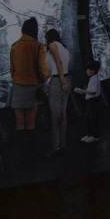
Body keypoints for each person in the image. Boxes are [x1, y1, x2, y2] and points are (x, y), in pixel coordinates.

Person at [9, 17, 48, 158]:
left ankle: (21, 155)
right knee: (31, 122)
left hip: (18, 88)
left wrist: (18, 79)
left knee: (20, 123)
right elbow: (43, 70)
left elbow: (12, 70)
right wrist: (43, 80)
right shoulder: (38, 46)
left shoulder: (14, 46)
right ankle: (29, 154)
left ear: (23, 30)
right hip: (33, 88)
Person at [43, 29, 70, 157]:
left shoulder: (52, 45)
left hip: (58, 80)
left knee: (55, 114)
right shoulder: (64, 48)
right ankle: (62, 144)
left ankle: (55, 146)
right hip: (66, 78)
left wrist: (62, 81)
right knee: (63, 113)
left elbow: (57, 63)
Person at [74, 60, 102, 143]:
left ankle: (95, 136)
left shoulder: (95, 79)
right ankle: (90, 134)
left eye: (88, 69)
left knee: (93, 119)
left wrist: (82, 91)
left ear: (92, 70)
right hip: (90, 102)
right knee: (88, 119)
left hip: (93, 102)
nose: (86, 71)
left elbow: (93, 91)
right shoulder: (92, 78)